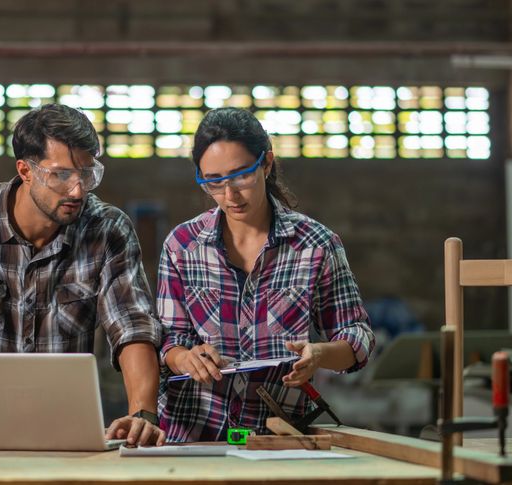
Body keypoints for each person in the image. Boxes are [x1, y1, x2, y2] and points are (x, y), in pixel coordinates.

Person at [0, 104, 165, 446]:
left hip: (64, 420)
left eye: (87, 174)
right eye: (61, 175)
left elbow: (132, 326)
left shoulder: (108, 229)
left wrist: (142, 415)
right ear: (25, 170)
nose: (78, 191)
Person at [157, 107, 375, 442]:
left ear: (267, 163)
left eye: (241, 176)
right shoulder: (182, 246)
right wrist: (186, 357)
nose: (229, 195)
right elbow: (169, 341)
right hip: (194, 434)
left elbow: (357, 337)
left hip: (277, 436)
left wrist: (318, 354)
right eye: (213, 182)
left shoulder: (316, 245)